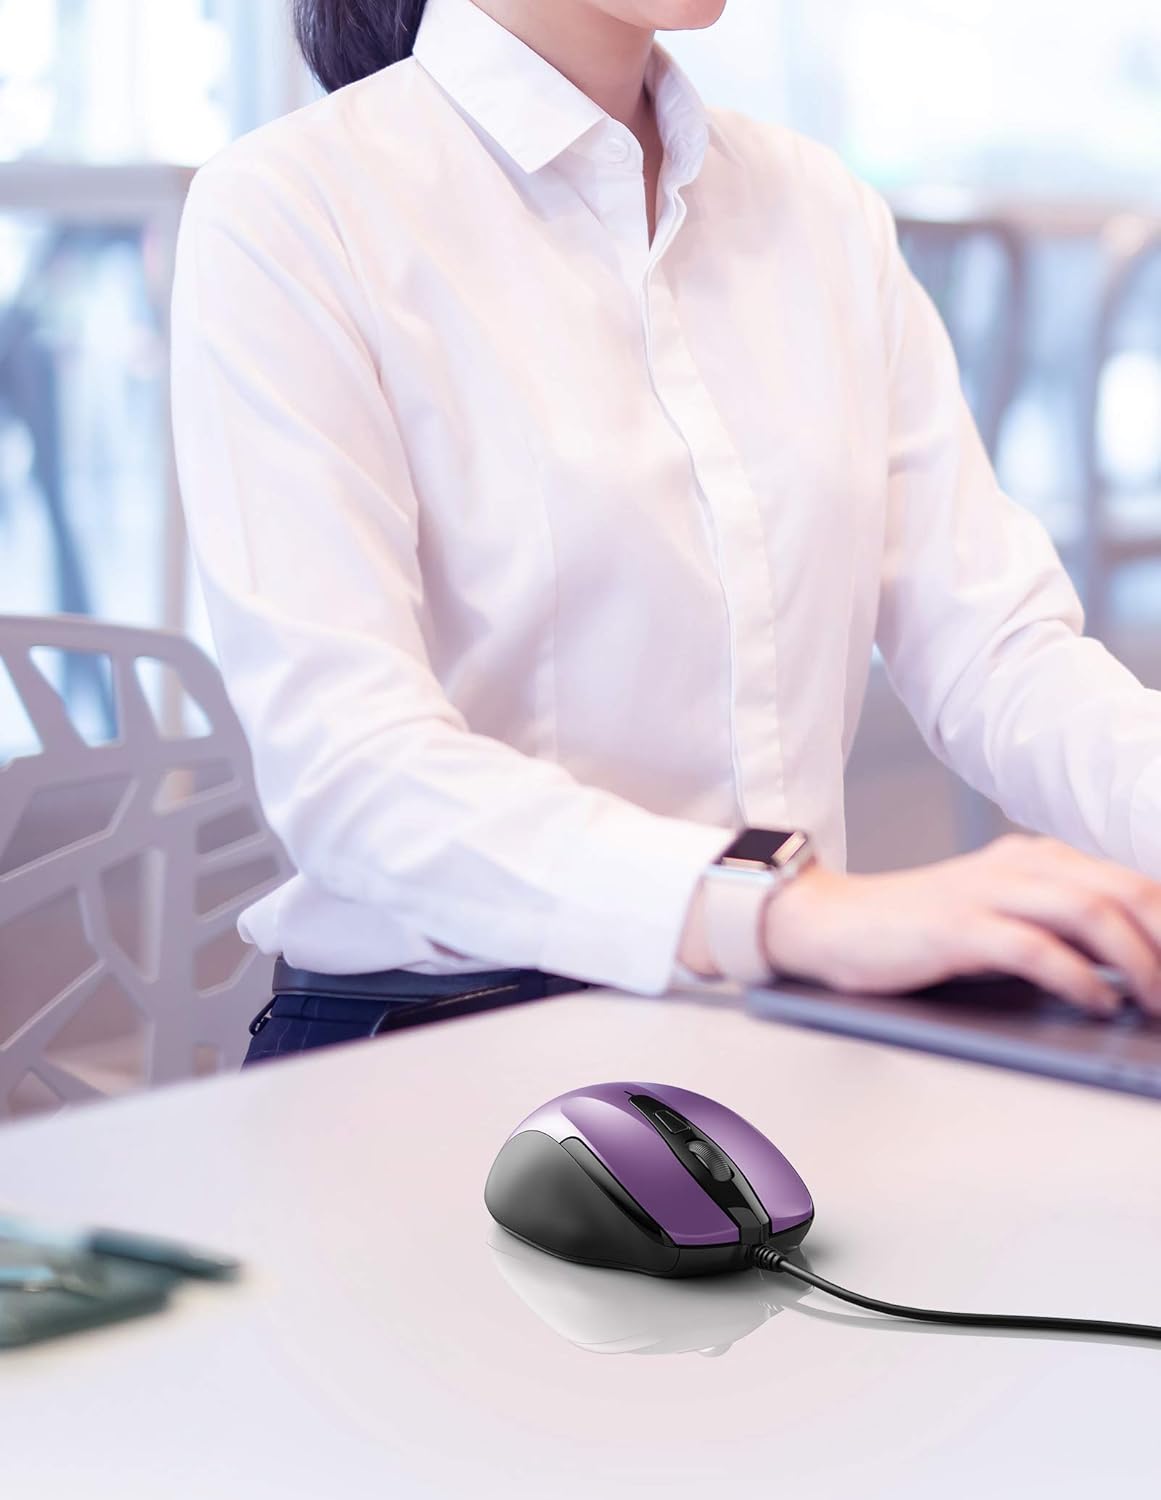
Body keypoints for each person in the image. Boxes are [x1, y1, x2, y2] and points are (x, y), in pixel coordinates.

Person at [171, 0, 1161, 1066]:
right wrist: (785, 912)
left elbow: (997, 656)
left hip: (769, 1026)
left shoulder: (817, 206)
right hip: (440, 1043)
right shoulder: (293, 208)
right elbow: (352, 771)